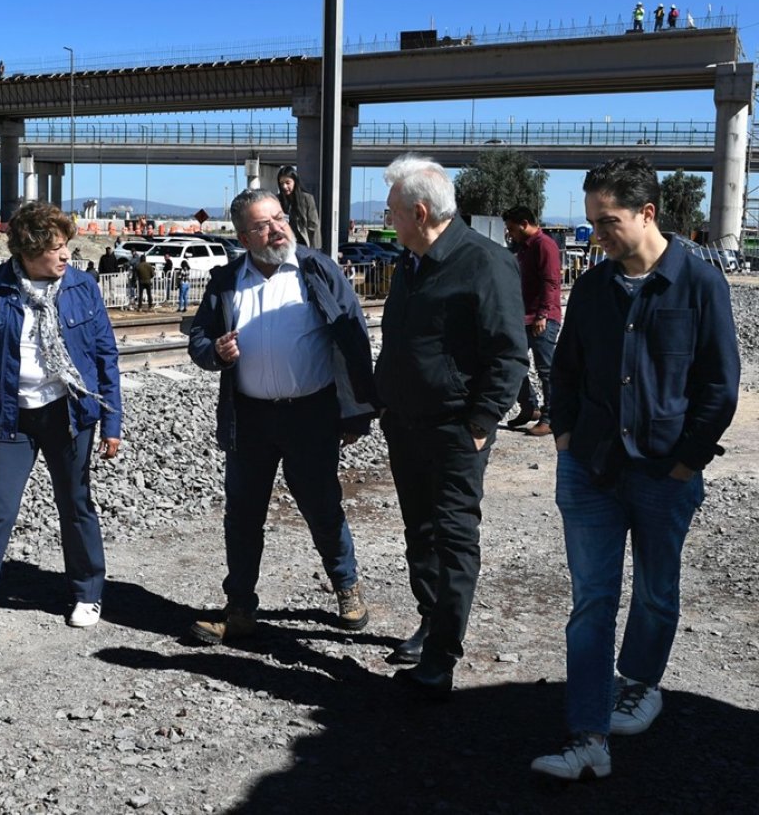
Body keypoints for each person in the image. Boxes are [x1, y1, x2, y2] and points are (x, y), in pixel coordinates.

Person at [530, 158, 739, 780]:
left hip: (662, 474)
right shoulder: (593, 287)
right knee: (592, 600)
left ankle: (641, 682)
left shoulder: (699, 285)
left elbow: (719, 387)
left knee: (655, 592)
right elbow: (563, 370)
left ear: (647, 214)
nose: (596, 234)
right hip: (590, 469)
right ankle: (587, 735)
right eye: (592, 221)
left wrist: (685, 463)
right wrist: (565, 438)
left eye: (608, 221)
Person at [0, 201, 122, 648]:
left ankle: (88, 592)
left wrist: (112, 422)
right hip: (9, 417)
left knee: (76, 505)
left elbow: (105, 356)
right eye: (56, 248)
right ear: (29, 252)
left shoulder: (83, 287)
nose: (66, 255)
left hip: (69, 414)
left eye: (67, 246)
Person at [186, 189, 377, 644]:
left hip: (310, 414)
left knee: (322, 506)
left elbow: (355, 339)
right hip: (249, 418)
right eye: (263, 225)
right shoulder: (227, 281)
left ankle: (346, 587)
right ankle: (240, 608)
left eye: (279, 218)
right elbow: (198, 338)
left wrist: (357, 412)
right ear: (244, 237)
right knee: (243, 515)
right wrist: (214, 351)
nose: (277, 228)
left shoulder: (316, 269)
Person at [375, 154, 527, 699]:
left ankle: (442, 656)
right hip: (406, 424)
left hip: (455, 429)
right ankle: (429, 619)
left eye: (392, 211)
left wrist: (481, 424)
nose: (387, 218)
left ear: (419, 212)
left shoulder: (484, 262)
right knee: (420, 532)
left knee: (454, 535)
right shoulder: (413, 263)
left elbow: (510, 354)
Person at [503, 205, 562, 437]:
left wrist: (543, 315)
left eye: (512, 229)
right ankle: (529, 408)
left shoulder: (544, 245)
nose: (510, 234)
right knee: (512, 363)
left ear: (524, 223)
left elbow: (551, 282)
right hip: (524, 316)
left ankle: (550, 418)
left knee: (546, 370)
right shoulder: (524, 248)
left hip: (542, 319)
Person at [275, 165, 322, 250]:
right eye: (281, 183)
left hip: (303, 246)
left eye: (287, 183)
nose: (284, 186)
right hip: (284, 246)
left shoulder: (307, 199)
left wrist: (315, 250)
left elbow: (313, 226)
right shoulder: (277, 200)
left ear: (295, 182)